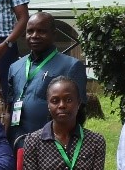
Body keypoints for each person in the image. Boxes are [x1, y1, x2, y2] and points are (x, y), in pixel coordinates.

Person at [6, 11, 86, 142]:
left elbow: (79, 113)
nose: (34, 36)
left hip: (50, 145)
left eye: (41, 31)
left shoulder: (71, 66)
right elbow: (8, 109)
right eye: (30, 31)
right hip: (17, 142)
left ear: (53, 34)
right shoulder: (15, 67)